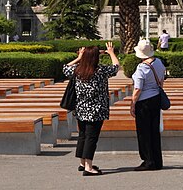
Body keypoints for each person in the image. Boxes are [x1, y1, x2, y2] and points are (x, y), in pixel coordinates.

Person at [63, 42, 120, 176]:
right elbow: (116, 67)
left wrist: (80, 57)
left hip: (81, 109)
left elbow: (65, 67)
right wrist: (111, 52)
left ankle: (83, 163)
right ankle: (89, 167)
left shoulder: (77, 70)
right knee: (91, 138)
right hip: (96, 110)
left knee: (83, 135)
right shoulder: (100, 71)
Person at [130, 38, 166, 171]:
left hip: (144, 102)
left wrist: (133, 104)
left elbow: (137, 89)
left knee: (144, 132)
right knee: (154, 131)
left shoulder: (141, 68)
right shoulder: (159, 63)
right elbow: (161, 81)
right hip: (156, 98)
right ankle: (157, 160)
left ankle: (148, 160)